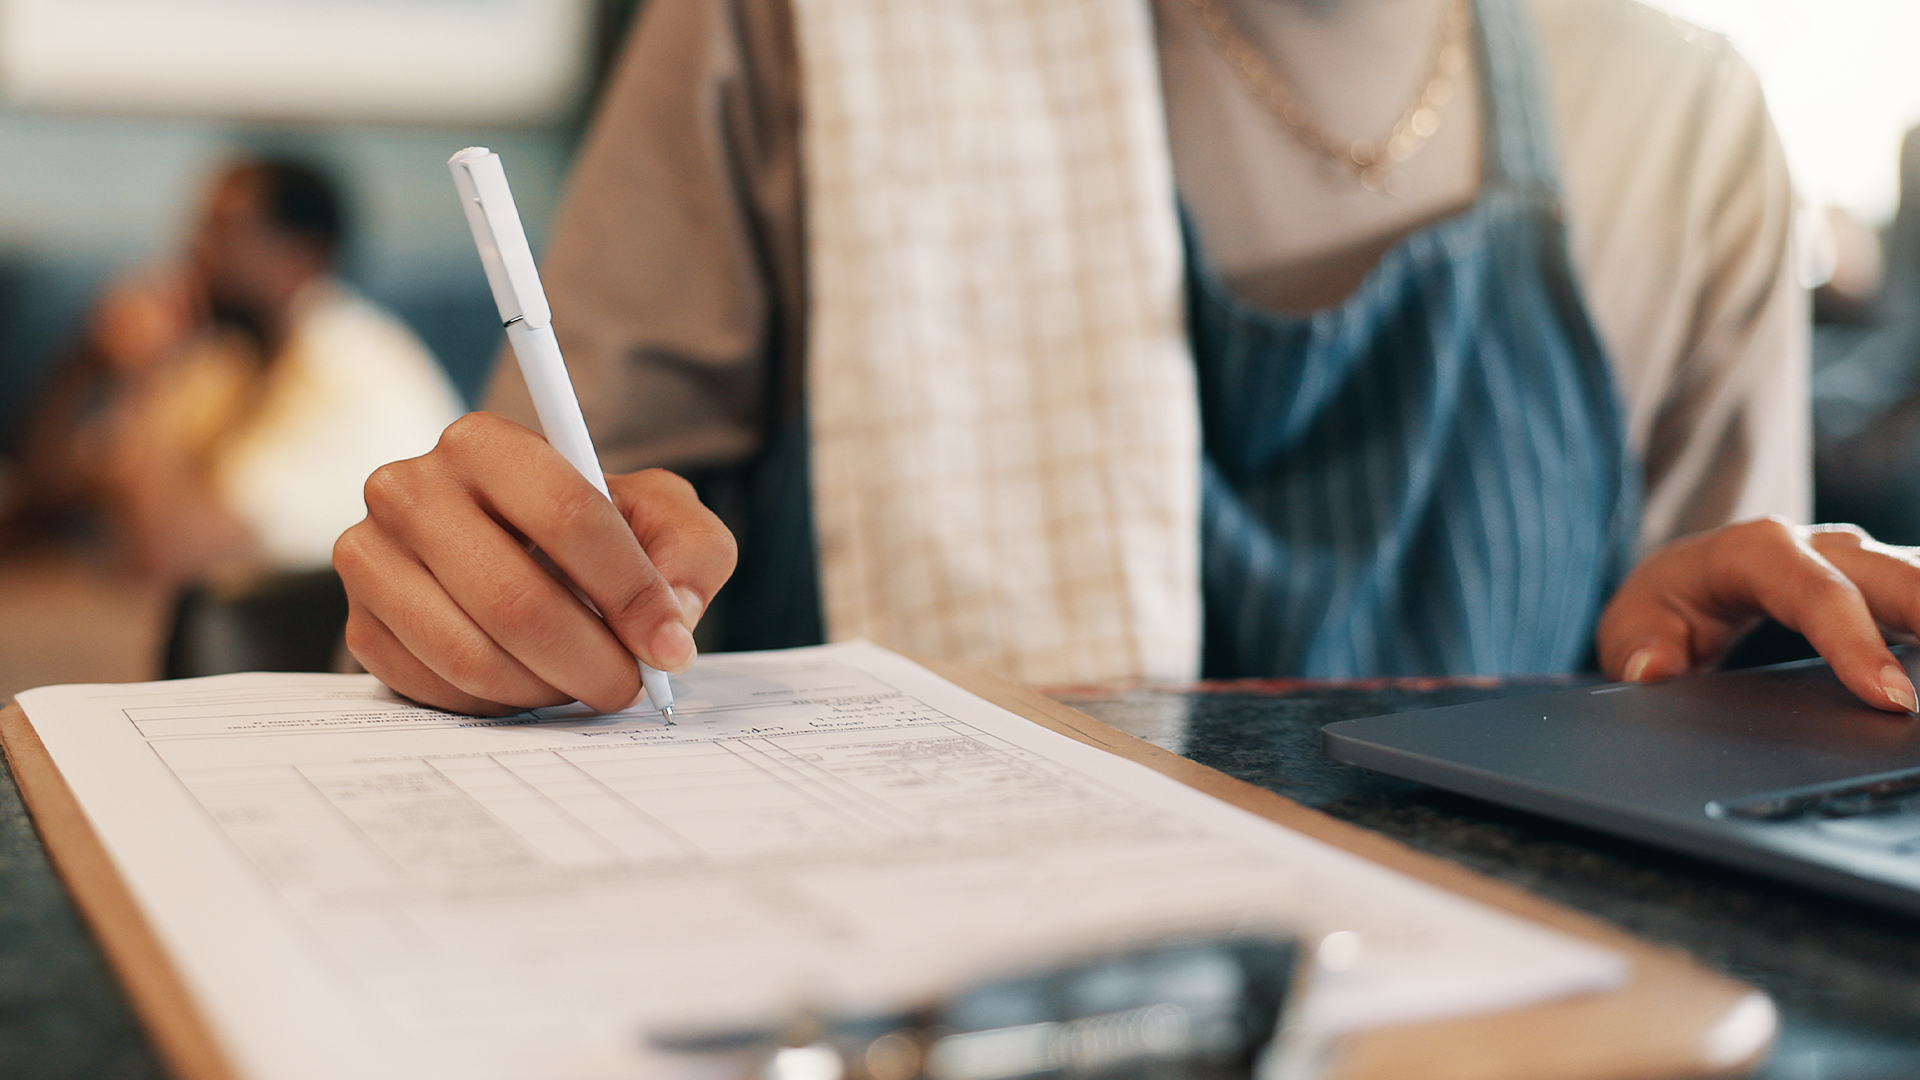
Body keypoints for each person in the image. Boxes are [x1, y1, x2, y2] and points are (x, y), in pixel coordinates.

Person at [336, 0, 1920, 718]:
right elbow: (560, 552)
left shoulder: (1690, 115)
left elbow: (1698, 666)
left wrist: (1730, 666)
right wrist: (494, 603)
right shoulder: (799, 27)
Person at [17, 157, 464, 585]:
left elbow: (177, 553)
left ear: (303, 256)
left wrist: (142, 377)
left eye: (225, 229)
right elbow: (53, 491)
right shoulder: (230, 358)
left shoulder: (349, 367)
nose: (196, 248)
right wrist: (87, 362)